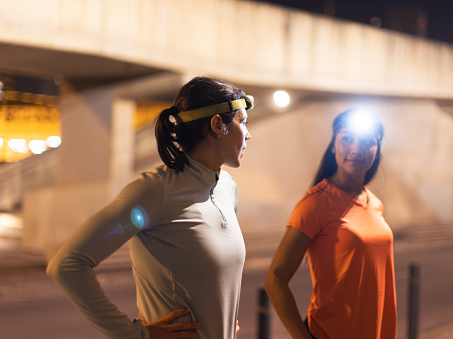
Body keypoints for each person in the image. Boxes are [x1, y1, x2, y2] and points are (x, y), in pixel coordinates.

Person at [47, 76, 253, 339]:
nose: (248, 133)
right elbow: (67, 265)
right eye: (242, 121)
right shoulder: (156, 193)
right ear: (217, 125)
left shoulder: (227, 188)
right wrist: (135, 334)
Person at [264, 108, 397, 339]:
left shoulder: (374, 203)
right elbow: (275, 279)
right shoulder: (316, 203)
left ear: (377, 150)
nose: (356, 149)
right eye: (347, 138)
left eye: (367, 141)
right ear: (333, 145)